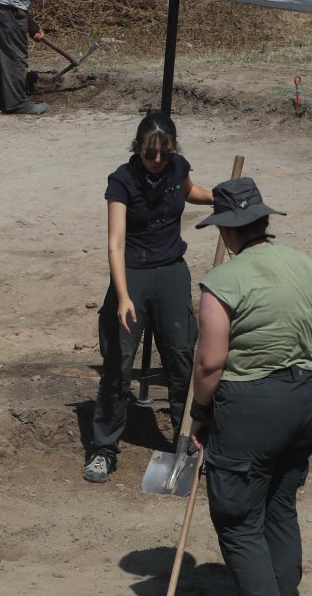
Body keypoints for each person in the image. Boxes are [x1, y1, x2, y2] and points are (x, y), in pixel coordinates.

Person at [188, 177, 312, 596]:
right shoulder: (305, 264)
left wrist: (199, 414)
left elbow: (210, 361)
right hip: (307, 394)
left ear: (227, 230)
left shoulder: (222, 283)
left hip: (253, 408)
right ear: (263, 220)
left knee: (238, 524)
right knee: (279, 508)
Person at [84, 113, 214, 483]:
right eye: (149, 154)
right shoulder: (122, 181)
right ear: (137, 149)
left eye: (164, 153)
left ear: (173, 149)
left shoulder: (176, 169)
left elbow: (192, 192)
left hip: (171, 270)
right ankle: (103, 448)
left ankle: (187, 440)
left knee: (181, 356)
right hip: (132, 275)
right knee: (119, 362)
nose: (157, 161)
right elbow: (115, 244)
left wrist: (221, 197)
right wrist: (123, 296)